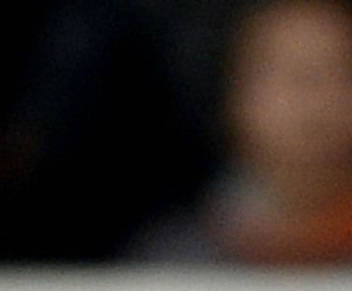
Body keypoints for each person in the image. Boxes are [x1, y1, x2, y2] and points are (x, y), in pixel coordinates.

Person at [136, 0, 352, 264]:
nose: (314, 102)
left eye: (338, 71)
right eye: (287, 74)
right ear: (231, 95)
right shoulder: (176, 260)